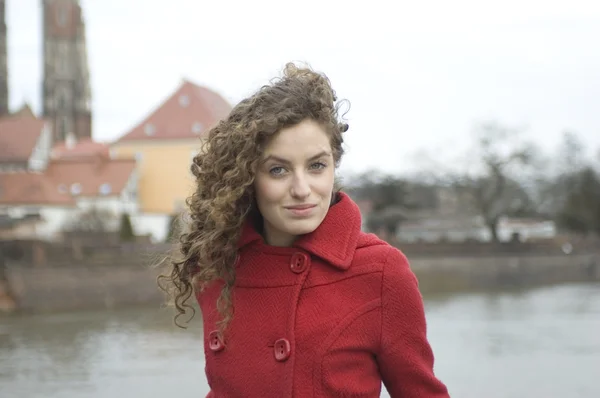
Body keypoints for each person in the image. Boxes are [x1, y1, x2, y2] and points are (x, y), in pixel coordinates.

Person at [158, 63, 450, 397]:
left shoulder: (382, 271)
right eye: (278, 169)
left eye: (316, 166)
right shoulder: (218, 264)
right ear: (247, 178)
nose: (302, 189)